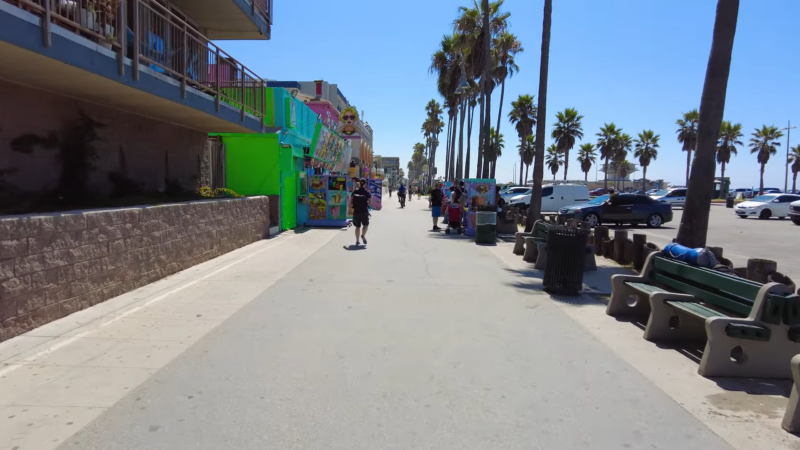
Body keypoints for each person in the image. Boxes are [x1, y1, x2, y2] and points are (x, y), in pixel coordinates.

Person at [351, 178, 372, 246]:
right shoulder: (367, 192)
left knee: (357, 227)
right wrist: (367, 203)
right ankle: (363, 235)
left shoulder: (355, 192)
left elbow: (350, 202)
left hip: (356, 211)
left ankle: (357, 241)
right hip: (364, 211)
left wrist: (349, 209)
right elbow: (370, 202)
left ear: (359, 183)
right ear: (365, 184)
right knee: (365, 225)